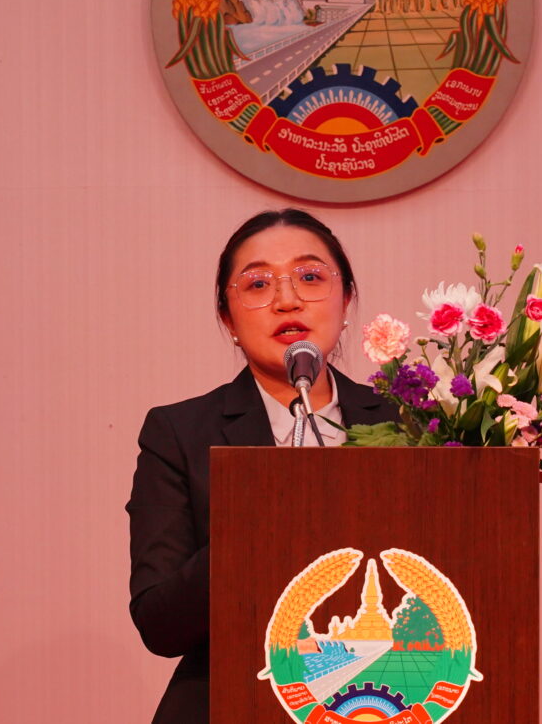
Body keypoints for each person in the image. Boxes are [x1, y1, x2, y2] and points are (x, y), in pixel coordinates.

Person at [126, 209, 397, 722]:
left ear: (346, 299)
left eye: (310, 277)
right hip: (232, 699)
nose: (286, 300)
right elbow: (159, 624)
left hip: (393, 697)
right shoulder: (180, 433)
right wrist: (256, 518)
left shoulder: (409, 421)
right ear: (228, 319)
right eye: (257, 284)